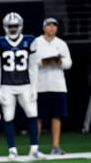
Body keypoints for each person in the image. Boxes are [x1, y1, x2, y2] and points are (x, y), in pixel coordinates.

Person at [0, 12, 45, 161]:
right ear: (5, 27)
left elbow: (33, 66)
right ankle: (12, 150)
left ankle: (34, 148)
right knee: (8, 117)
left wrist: (34, 87)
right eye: (10, 26)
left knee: (32, 114)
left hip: (25, 84)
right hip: (7, 85)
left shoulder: (30, 40)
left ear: (20, 26)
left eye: (15, 26)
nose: (13, 29)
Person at [31, 18, 72, 155]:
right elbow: (32, 62)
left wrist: (58, 61)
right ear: (43, 27)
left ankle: (55, 146)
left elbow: (68, 64)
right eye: (49, 25)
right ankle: (35, 146)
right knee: (38, 117)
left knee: (57, 116)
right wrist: (45, 61)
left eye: (54, 25)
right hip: (40, 85)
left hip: (58, 85)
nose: (52, 28)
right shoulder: (36, 42)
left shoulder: (61, 44)